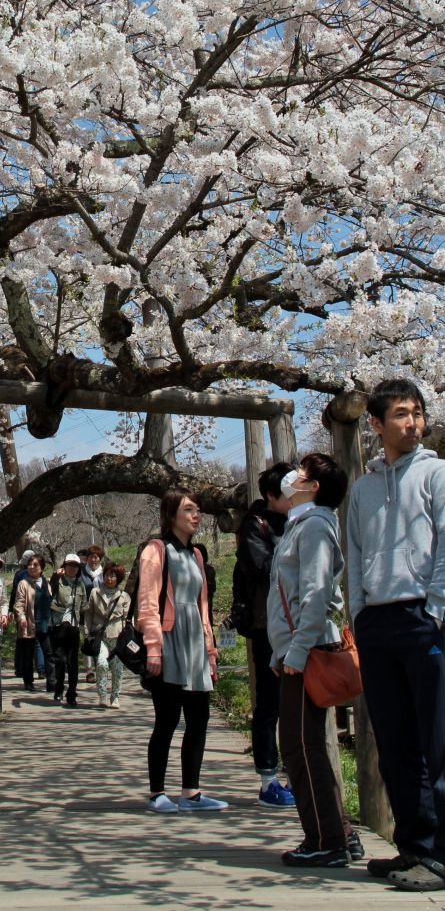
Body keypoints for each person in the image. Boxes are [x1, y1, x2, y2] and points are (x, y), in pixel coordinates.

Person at [347, 378, 445, 892]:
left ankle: (441, 855)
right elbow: (357, 557)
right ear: (376, 424)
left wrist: (437, 610)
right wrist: (360, 615)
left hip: (422, 618)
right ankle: (414, 848)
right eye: (401, 414)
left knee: (438, 741)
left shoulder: (437, 475)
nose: (412, 422)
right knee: (395, 744)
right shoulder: (362, 488)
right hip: (378, 624)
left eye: (417, 413)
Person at [267, 452, 360, 868]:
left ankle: (327, 840)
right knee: (305, 745)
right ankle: (342, 833)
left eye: (301, 474)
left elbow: (316, 595)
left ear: (314, 487)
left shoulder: (316, 527)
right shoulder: (303, 525)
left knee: (300, 746)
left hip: (307, 653)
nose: (293, 477)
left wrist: (297, 653)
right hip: (297, 650)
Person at [138, 488, 227, 813]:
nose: (196, 515)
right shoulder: (156, 551)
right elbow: (147, 603)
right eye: (189, 510)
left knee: (199, 718)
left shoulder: (197, 555)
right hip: (168, 641)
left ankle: (191, 792)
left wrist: (211, 652)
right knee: (167, 720)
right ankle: (157, 792)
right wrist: (153, 649)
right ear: (171, 514)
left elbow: (204, 609)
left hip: (195, 646)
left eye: (198, 510)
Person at [232, 462, 295, 809]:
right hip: (268, 625)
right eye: (288, 492)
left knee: (298, 702)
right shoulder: (254, 527)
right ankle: (268, 780)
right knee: (269, 703)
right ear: (271, 496)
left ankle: (295, 775)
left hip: (297, 624)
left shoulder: (297, 520)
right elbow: (265, 569)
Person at [85, 560, 130, 708]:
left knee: (117, 668)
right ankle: (102, 695)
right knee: (102, 664)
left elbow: (128, 618)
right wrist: (87, 631)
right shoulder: (95, 592)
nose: (110, 578)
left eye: (113, 575)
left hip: (118, 637)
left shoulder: (124, 596)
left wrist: (128, 636)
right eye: (107, 575)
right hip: (100, 635)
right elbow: (89, 614)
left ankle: (115, 696)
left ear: (118, 578)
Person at [14, 554, 55, 692]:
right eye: (30, 564)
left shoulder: (46, 582)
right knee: (28, 655)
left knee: (49, 653)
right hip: (29, 623)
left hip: (45, 624)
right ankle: (28, 682)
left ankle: (51, 682)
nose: (31, 567)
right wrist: (21, 618)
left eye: (35, 565)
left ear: (42, 568)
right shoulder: (23, 583)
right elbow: (18, 604)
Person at [50, 553, 86, 706]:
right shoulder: (59, 581)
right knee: (60, 659)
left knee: (72, 663)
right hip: (58, 625)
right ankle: (59, 686)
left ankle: (72, 693)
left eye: (75, 566)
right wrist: (55, 576)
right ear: (64, 566)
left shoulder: (80, 585)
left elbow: (83, 606)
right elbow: (51, 586)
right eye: (69, 565)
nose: (72, 568)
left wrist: (84, 626)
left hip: (74, 626)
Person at [81, 545, 104, 683]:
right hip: (86, 611)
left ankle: (100, 667)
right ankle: (89, 670)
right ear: (87, 558)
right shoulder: (82, 572)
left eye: (96, 557)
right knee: (87, 638)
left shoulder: (104, 572)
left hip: (101, 611)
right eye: (91, 557)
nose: (94, 560)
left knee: (101, 640)